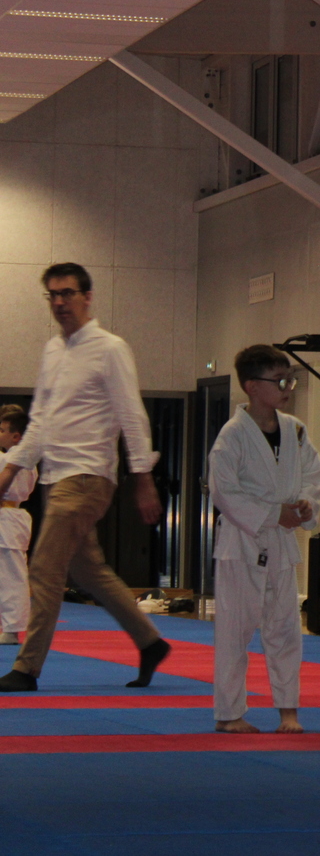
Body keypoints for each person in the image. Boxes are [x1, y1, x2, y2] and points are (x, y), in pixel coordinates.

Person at [0, 263, 171, 692]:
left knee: (44, 568)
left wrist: (143, 477)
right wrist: (10, 469)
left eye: (68, 293)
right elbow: (39, 423)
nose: (60, 302)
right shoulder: (53, 351)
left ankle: (26, 668)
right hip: (56, 478)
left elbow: (132, 415)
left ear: (87, 297)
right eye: (53, 295)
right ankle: (150, 641)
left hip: (88, 476)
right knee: (89, 571)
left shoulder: (110, 349)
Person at [208, 345, 320, 735]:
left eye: (290, 380)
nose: (288, 388)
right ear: (253, 386)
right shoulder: (232, 436)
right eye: (280, 381)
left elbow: (312, 473)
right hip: (242, 543)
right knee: (234, 631)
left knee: (285, 628)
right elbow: (223, 491)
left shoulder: (296, 430)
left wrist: (305, 503)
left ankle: (288, 711)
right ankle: (229, 713)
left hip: (282, 543)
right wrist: (274, 514)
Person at [0, 406, 37, 646]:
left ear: (16, 436)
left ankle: (13, 630)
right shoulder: (14, 458)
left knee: (11, 576)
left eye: (2, 430)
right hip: (9, 517)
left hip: (9, 517)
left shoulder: (15, 459)